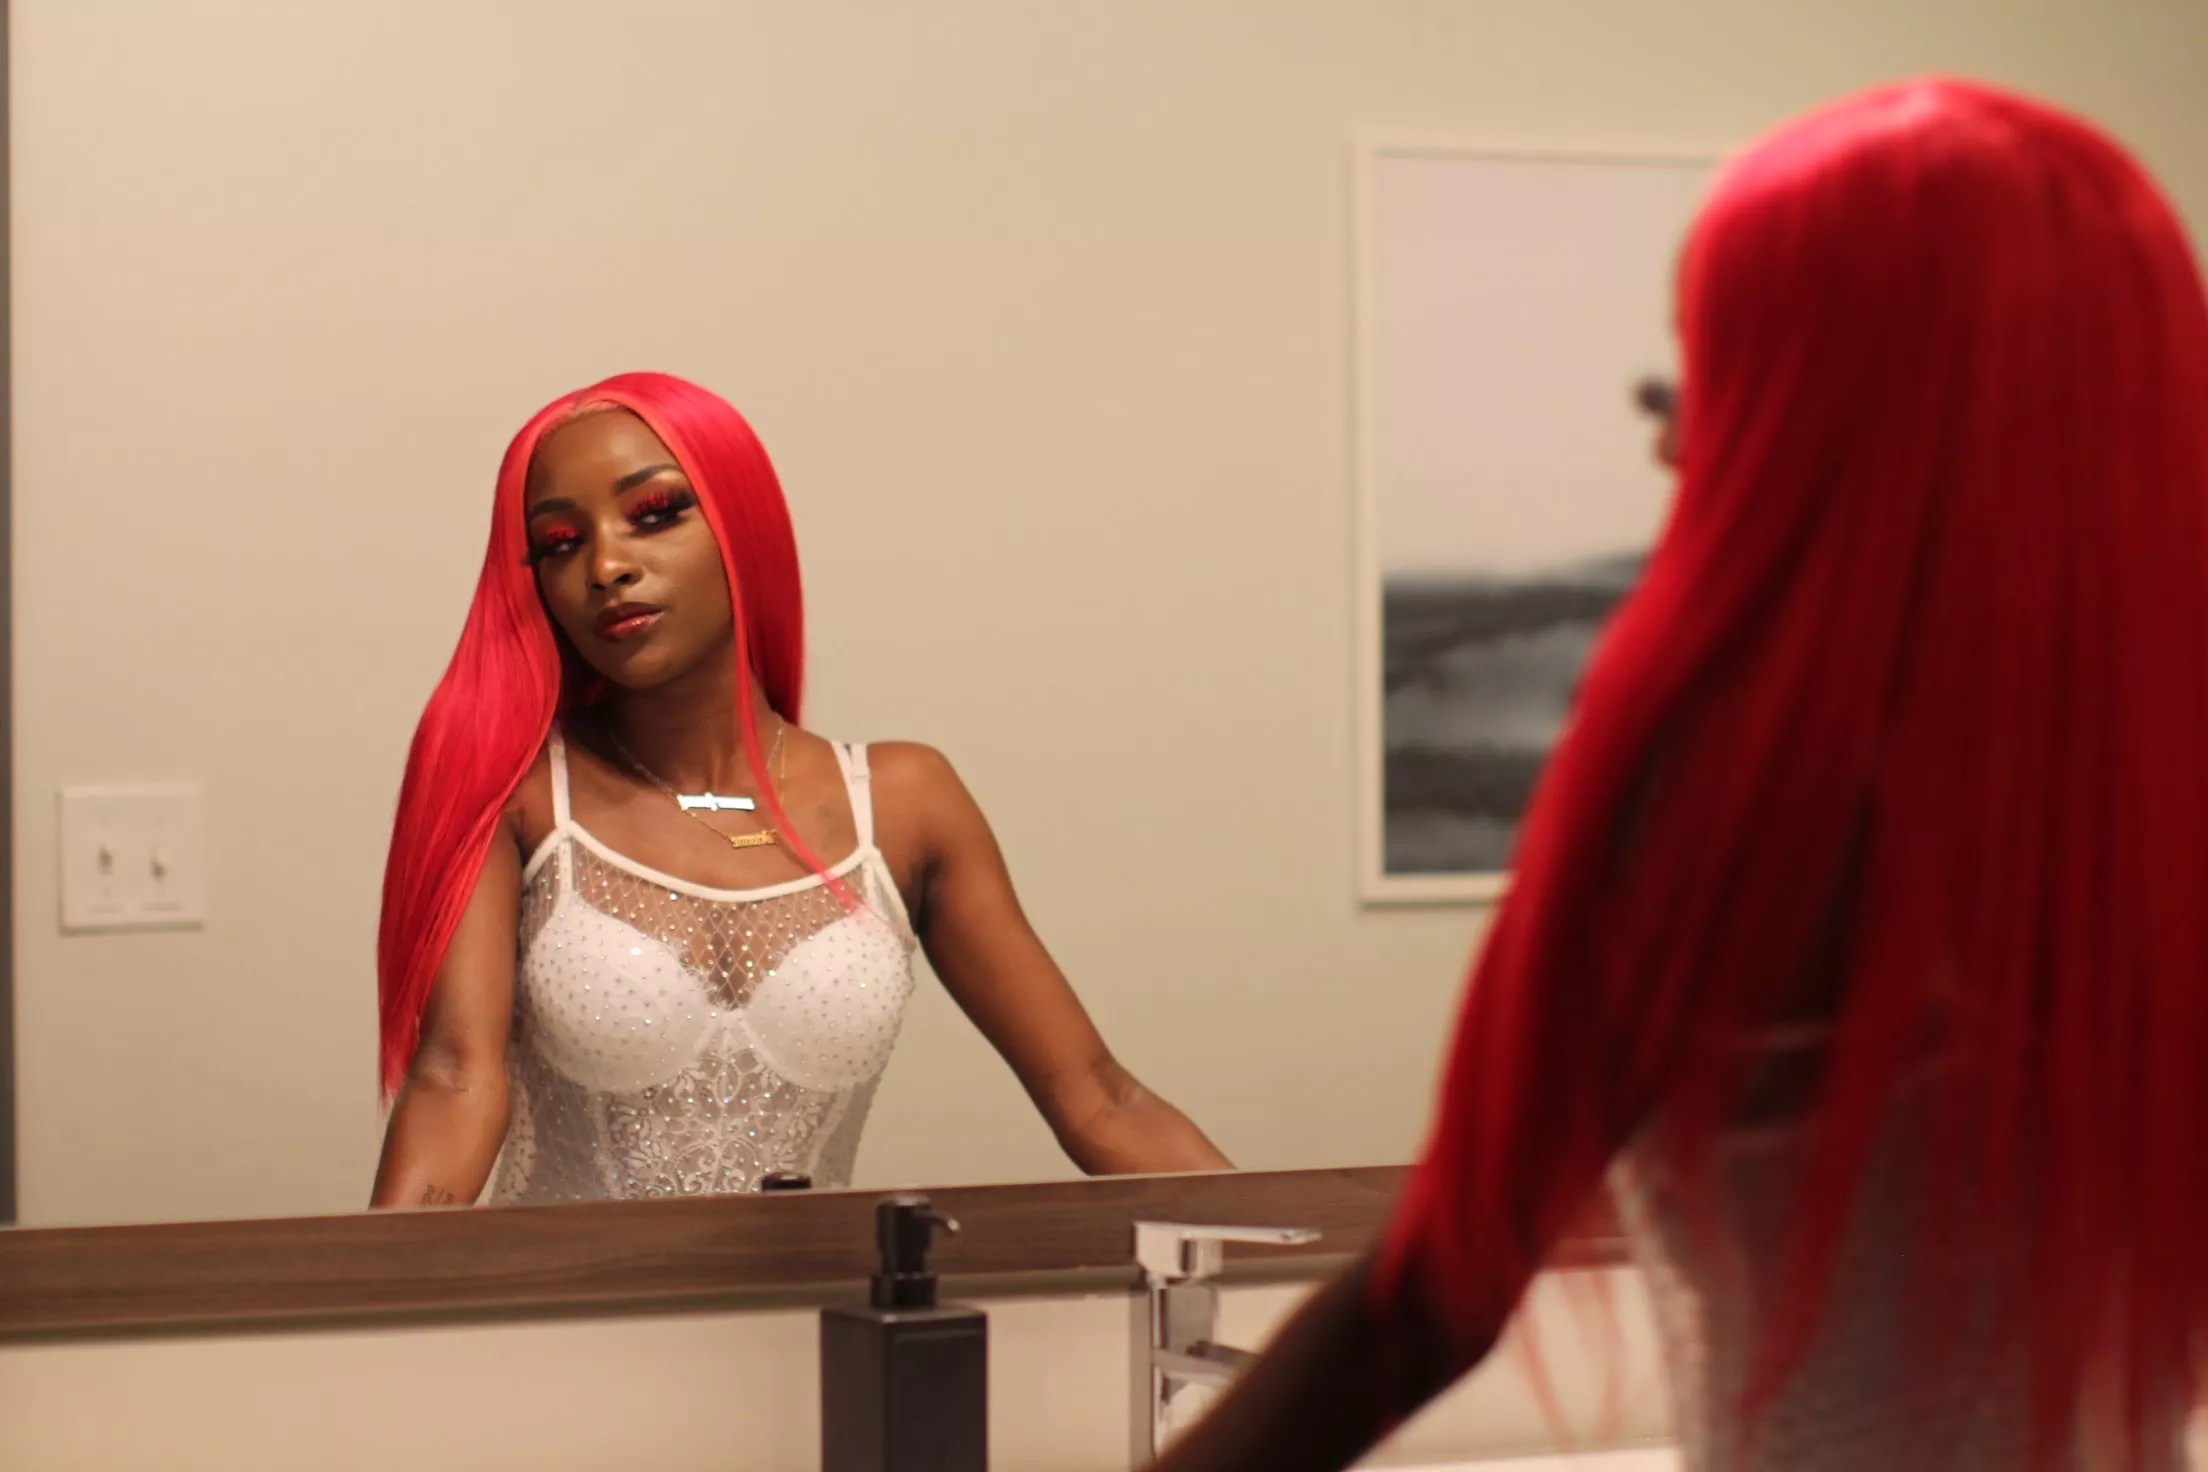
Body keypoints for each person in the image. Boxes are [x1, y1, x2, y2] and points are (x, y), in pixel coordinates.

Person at [1151, 78, 2208, 1472]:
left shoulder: (1738, 776)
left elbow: (1433, 1294)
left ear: (1840, 399)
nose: (1669, 436)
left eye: (1704, 369)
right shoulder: (2147, 777)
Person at [369, 372, 1229, 1207]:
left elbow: (1098, 1097)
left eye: (655, 514)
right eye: (561, 543)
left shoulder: (905, 803)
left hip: (810, 1302)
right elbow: (455, 1079)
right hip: (560, 1299)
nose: (607, 566)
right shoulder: (519, 794)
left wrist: (1290, 1255)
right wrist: (377, 1290)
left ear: (742, 523)